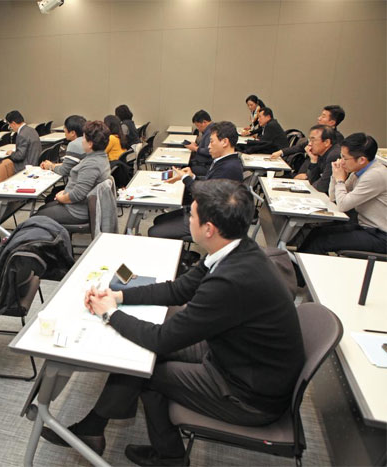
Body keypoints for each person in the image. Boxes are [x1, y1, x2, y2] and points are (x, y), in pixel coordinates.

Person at [41, 179, 305, 466]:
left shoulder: (231, 281)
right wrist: (118, 296)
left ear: (208, 229)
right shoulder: (236, 249)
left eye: (191, 215)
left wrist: (109, 313)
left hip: (248, 394)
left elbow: (161, 339)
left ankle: (169, 457)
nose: (188, 219)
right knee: (147, 355)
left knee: (147, 372)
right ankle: (93, 429)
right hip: (241, 359)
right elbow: (177, 290)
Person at [148, 121, 243, 239]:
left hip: (209, 220)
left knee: (154, 232)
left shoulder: (229, 168)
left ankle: (180, 256)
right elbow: (210, 186)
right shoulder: (224, 161)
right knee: (159, 220)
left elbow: (205, 195)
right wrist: (193, 177)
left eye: (212, 141)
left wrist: (185, 178)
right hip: (204, 211)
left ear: (224, 142)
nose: (208, 146)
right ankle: (183, 253)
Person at [299, 133, 387, 255]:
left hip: (380, 235)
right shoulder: (360, 170)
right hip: (367, 228)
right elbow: (334, 197)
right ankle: (295, 269)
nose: (341, 161)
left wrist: (340, 179)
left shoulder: (375, 175)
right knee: (317, 232)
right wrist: (335, 177)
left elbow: (343, 205)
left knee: (320, 241)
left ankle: (301, 272)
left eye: (345, 158)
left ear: (361, 160)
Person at [35, 120, 110, 224]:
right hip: (80, 206)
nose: (81, 140)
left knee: (36, 217)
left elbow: (77, 195)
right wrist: (64, 192)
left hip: (77, 211)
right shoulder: (100, 157)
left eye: (83, 138)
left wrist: (61, 197)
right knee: (43, 208)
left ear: (90, 144)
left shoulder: (91, 165)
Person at [271, 105, 346, 161]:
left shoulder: (337, 139)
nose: (319, 118)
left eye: (323, 116)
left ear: (332, 122)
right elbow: (301, 147)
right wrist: (281, 152)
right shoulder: (319, 133)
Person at [293, 125, 340, 194]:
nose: (309, 144)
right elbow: (312, 181)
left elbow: (322, 186)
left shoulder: (334, 156)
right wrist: (313, 160)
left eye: (313, 140)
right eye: (309, 140)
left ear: (326, 142)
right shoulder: (321, 153)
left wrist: (308, 179)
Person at [186, 110, 213, 176]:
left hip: (205, 166)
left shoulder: (210, 132)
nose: (198, 128)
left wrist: (195, 148)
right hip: (203, 163)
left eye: (198, 126)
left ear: (204, 122)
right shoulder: (209, 130)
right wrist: (197, 145)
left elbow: (209, 151)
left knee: (185, 168)